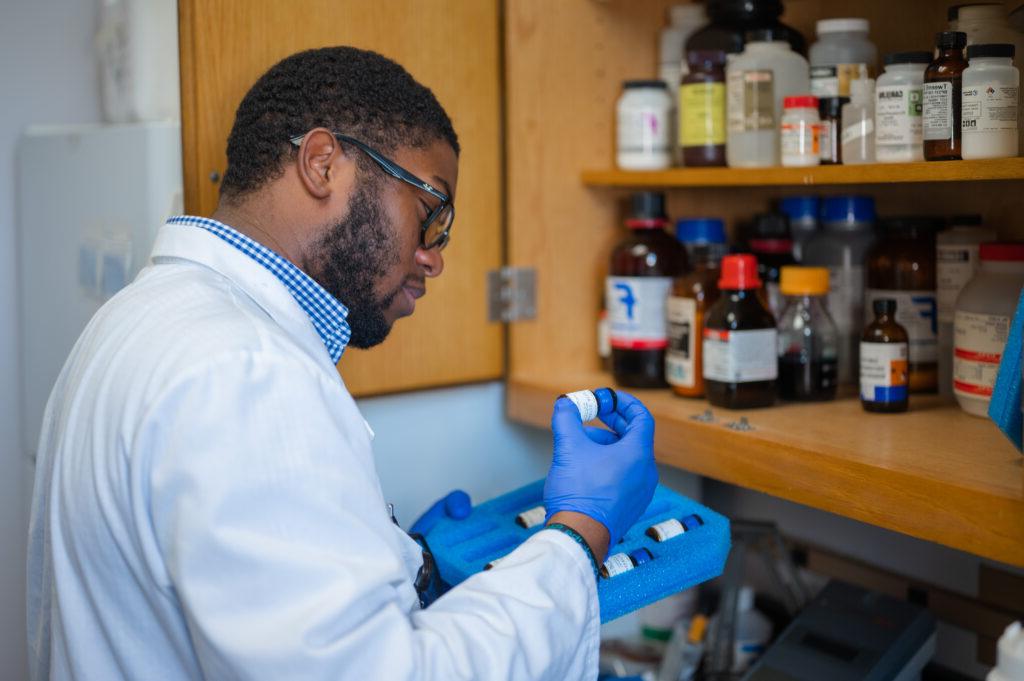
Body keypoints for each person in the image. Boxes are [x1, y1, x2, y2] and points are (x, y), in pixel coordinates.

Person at [27, 47, 657, 680]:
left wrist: (393, 564)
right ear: (323, 163)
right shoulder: (246, 372)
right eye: (431, 213)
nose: (435, 256)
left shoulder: (140, 317)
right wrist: (579, 534)